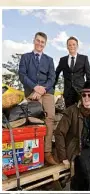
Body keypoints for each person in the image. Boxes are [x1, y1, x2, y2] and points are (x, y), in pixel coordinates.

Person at [19, 32, 57, 165]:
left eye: (42, 42)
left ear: (45, 44)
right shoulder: (25, 57)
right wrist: (35, 87)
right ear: (34, 40)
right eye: (38, 41)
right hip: (32, 91)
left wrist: (43, 89)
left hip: (46, 92)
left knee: (50, 117)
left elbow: (52, 78)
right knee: (34, 119)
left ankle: (47, 152)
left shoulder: (49, 60)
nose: (40, 44)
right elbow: (22, 75)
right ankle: (31, 152)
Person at [54, 36, 90, 108]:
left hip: (81, 92)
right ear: (67, 47)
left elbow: (89, 76)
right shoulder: (62, 60)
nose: (72, 46)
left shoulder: (84, 58)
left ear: (77, 46)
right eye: (69, 45)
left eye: (73, 44)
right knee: (70, 115)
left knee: (82, 114)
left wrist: (89, 92)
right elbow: (55, 75)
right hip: (68, 93)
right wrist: (51, 88)